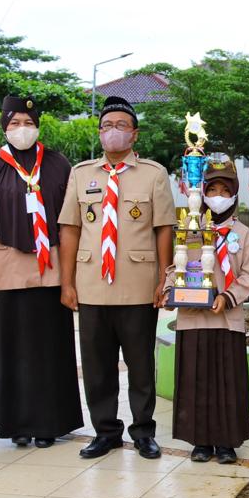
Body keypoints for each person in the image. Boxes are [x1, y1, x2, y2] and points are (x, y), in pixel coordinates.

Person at [57, 96, 175, 460]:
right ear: (99, 133)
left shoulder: (153, 174)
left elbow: (163, 229)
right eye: (107, 126)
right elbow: (70, 229)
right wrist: (67, 282)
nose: (113, 132)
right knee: (96, 367)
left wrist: (164, 279)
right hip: (92, 284)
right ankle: (105, 431)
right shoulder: (81, 174)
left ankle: (143, 432)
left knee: (141, 365)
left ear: (134, 134)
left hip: (138, 285)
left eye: (121, 126)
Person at [0, 96, 82, 448]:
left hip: (50, 273)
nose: (22, 129)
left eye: (28, 122)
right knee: (10, 352)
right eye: (15, 122)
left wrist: (70, 278)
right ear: (4, 126)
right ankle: (16, 423)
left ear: (38, 125)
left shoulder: (58, 164)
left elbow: (70, 223)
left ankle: (49, 423)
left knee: (50, 349)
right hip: (5, 273)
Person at [165, 156, 249, 464]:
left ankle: (227, 441)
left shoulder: (242, 233)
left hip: (227, 318)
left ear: (234, 194)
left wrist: (229, 296)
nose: (217, 196)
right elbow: (173, 266)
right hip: (193, 317)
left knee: (227, 381)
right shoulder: (189, 229)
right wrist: (168, 290)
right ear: (202, 192)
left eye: (224, 189)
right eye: (212, 189)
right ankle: (200, 440)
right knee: (196, 379)